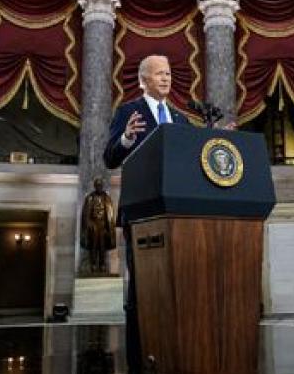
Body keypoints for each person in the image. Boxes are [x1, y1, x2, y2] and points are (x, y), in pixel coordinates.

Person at [103, 54, 189, 373]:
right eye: (158, 74)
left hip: (176, 213)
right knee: (141, 289)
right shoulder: (128, 111)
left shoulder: (179, 119)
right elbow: (110, 157)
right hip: (141, 211)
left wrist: (217, 135)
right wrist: (125, 137)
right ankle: (139, 360)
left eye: (168, 73)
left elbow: (192, 155)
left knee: (174, 284)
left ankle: (174, 350)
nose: (166, 78)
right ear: (143, 80)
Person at [80, 177, 116, 274]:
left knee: (102, 246)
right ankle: (93, 264)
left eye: (100, 185)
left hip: (103, 224)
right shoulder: (90, 198)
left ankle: (102, 264)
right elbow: (85, 214)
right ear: (95, 186)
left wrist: (109, 227)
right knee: (93, 245)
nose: (99, 187)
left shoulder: (106, 198)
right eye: (97, 185)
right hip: (93, 224)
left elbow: (110, 214)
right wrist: (89, 223)